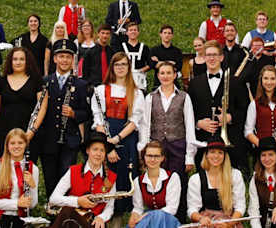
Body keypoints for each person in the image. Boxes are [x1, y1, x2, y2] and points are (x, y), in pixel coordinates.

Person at [38, 39, 90, 198]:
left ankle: (63, 212)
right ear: (54, 59)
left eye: (68, 57)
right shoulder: (45, 82)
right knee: (49, 176)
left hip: (69, 139)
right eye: (61, 56)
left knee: (65, 177)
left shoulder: (80, 84)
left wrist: (74, 114)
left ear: (73, 60)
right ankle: (51, 209)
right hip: (48, 139)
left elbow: (87, 113)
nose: (64, 60)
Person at [93, 53, 144, 212]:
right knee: (106, 179)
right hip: (105, 140)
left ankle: (122, 217)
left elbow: (135, 121)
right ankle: (104, 216)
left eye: (124, 64)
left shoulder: (136, 92)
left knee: (125, 178)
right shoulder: (100, 90)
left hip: (126, 139)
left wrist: (117, 139)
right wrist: (108, 146)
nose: (120, 68)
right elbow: (98, 120)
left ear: (129, 68)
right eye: (117, 64)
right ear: (112, 67)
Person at [138, 61, 197, 179]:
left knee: (178, 181)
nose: (165, 76)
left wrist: (189, 156)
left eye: (169, 73)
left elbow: (190, 126)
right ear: (158, 76)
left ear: (175, 75)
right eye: (162, 73)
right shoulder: (150, 97)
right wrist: (143, 150)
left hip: (178, 147)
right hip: (157, 148)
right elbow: (145, 125)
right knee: (158, 181)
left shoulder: (184, 97)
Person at [48, 132, 117, 228]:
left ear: (105, 153)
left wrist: (102, 217)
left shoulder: (111, 177)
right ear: (88, 150)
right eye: (95, 149)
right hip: (73, 221)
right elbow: (53, 199)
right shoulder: (73, 171)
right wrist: (77, 201)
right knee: (67, 211)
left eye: (102, 150)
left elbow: (110, 207)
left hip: (94, 223)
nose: (98, 154)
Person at [0, 45, 46, 159]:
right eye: (15, 59)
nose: (18, 62)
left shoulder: (37, 81)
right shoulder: (0, 83)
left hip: (27, 132)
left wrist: (32, 131)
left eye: (22, 59)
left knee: (26, 172)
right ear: (10, 61)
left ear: (27, 61)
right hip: (4, 134)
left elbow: (42, 108)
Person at [186, 41, 232, 169]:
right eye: (208, 55)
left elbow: (243, 109)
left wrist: (229, 118)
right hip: (203, 141)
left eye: (215, 55)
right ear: (204, 57)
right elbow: (189, 112)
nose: (211, 58)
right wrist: (198, 123)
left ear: (221, 57)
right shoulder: (195, 83)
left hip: (227, 142)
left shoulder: (234, 81)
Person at [0, 128, 40, 228]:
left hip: (20, 220)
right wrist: (16, 203)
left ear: (26, 145)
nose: (16, 146)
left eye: (20, 143)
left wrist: (32, 187)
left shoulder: (34, 169)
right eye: (12, 143)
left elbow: (32, 205)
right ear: (7, 146)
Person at [186, 141, 246, 224]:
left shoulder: (235, 175)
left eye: (220, 153)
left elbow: (240, 205)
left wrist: (229, 224)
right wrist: (201, 219)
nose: (216, 156)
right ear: (206, 155)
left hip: (230, 219)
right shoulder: (196, 179)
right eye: (212, 152)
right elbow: (192, 208)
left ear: (225, 156)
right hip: (207, 221)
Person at [130, 140, 182, 228]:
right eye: (149, 156)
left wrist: (149, 215)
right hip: (148, 222)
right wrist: (134, 215)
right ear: (144, 157)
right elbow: (138, 208)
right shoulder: (138, 181)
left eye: (157, 156)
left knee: (159, 216)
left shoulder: (172, 178)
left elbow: (172, 208)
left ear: (162, 158)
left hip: (167, 221)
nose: (153, 159)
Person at [120, 23, 152, 91]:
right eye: (131, 30)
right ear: (126, 33)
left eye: (135, 30)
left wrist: (143, 69)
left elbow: (150, 63)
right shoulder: (121, 47)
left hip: (140, 79)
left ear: (138, 32)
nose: (133, 32)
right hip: (125, 79)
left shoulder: (144, 47)